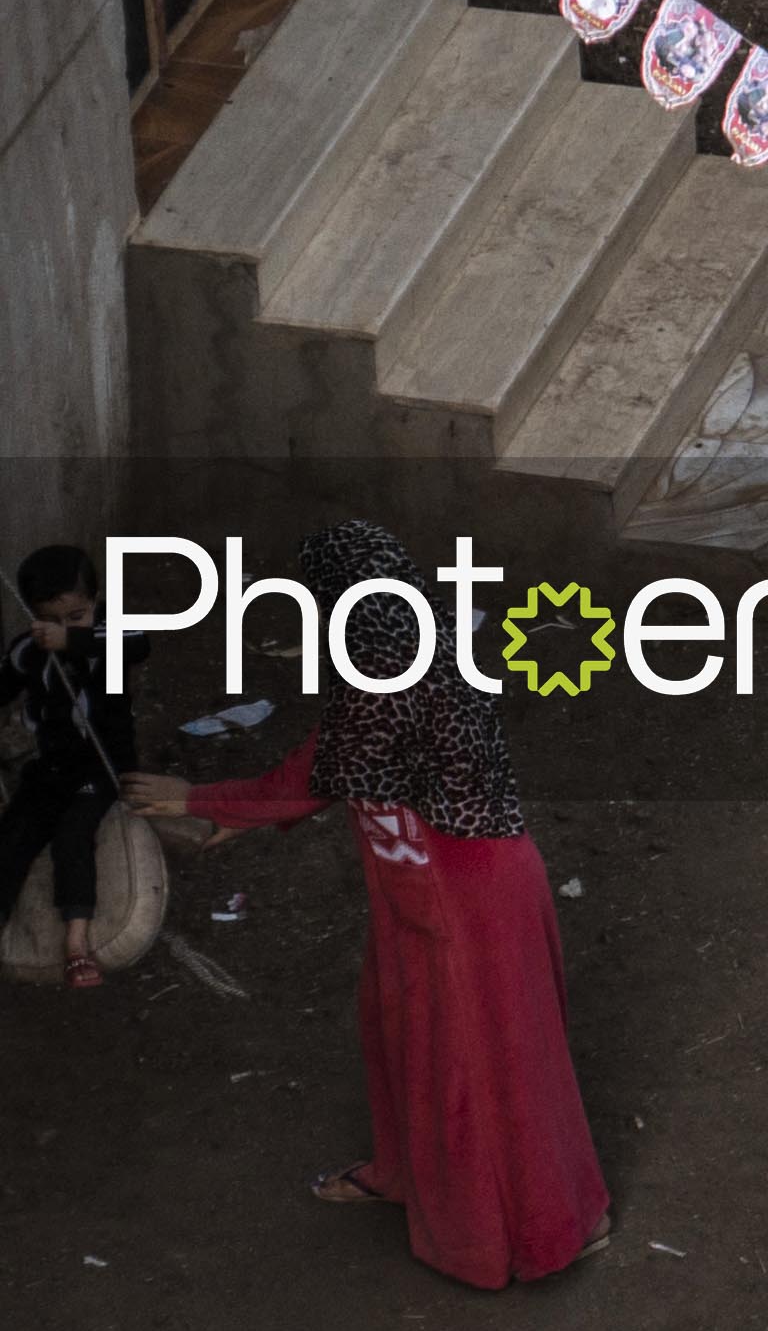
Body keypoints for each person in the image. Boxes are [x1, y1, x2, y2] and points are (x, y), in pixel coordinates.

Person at [133, 524, 609, 1284]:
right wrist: (231, 812)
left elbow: (320, 767)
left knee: (477, 1065)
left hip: (462, 897)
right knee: (411, 1038)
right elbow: (334, 753)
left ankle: (525, 1231)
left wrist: (204, 799)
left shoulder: (392, 670)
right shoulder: (409, 643)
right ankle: (424, 1180)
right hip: (430, 885)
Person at [9, 543, 137, 980]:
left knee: (73, 835)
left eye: (76, 616)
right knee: (13, 837)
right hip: (50, 767)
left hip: (101, 768)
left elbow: (139, 644)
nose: (61, 629)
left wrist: (73, 639)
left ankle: (77, 941)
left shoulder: (111, 636)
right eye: (50, 620)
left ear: (95, 604)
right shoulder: (28, 650)